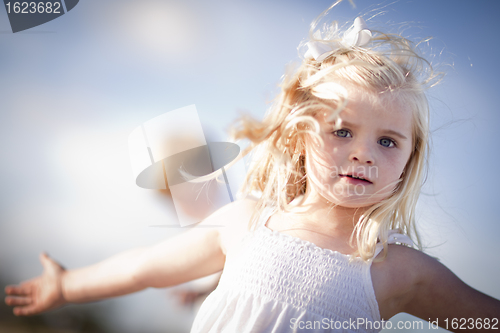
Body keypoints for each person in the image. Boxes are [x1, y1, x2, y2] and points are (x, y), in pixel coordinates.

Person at [5, 3, 500, 332]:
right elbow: (143, 269)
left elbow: (483, 320)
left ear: (410, 160)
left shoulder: (400, 270)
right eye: (343, 131)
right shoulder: (245, 223)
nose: (362, 153)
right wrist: (66, 286)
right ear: (301, 136)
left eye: (388, 141)